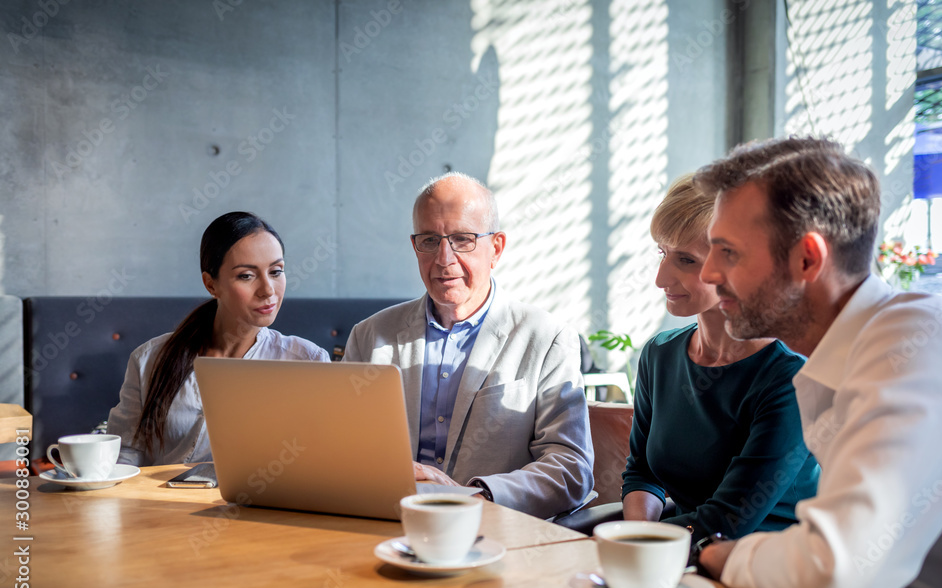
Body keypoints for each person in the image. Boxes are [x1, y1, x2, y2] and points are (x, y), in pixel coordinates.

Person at [693, 137, 942, 588]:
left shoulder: (914, 341)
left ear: (808, 258)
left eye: (729, 252)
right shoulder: (845, 353)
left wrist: (720, 555)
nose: (707, 274)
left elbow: (835, 576)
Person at [343, 172, 594, 519]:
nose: (444, 259)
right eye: (430, 240)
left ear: (496, 248)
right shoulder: (370, 336)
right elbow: (341, 449)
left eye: (462, 239)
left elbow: (570, 468)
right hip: (385, 523)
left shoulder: (547, 338)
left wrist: (474, 498)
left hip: (496, 532)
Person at [621, 174, 819, 542]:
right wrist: (638, 538)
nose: (661, 278)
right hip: (673, 557)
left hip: (765, 574)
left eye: (686, 260)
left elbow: (728, 521)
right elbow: (643, 472)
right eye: (662, 253)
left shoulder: (790, 376)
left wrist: (637, 545)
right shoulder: (659, 354)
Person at [108, 212, 330, 466]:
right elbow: (124, 455)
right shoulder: (149, 359)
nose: (268, 290)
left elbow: (320, 460)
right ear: (211, 284)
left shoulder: (308, 362)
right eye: (246, 275)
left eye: (276, 271)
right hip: (160, 503)